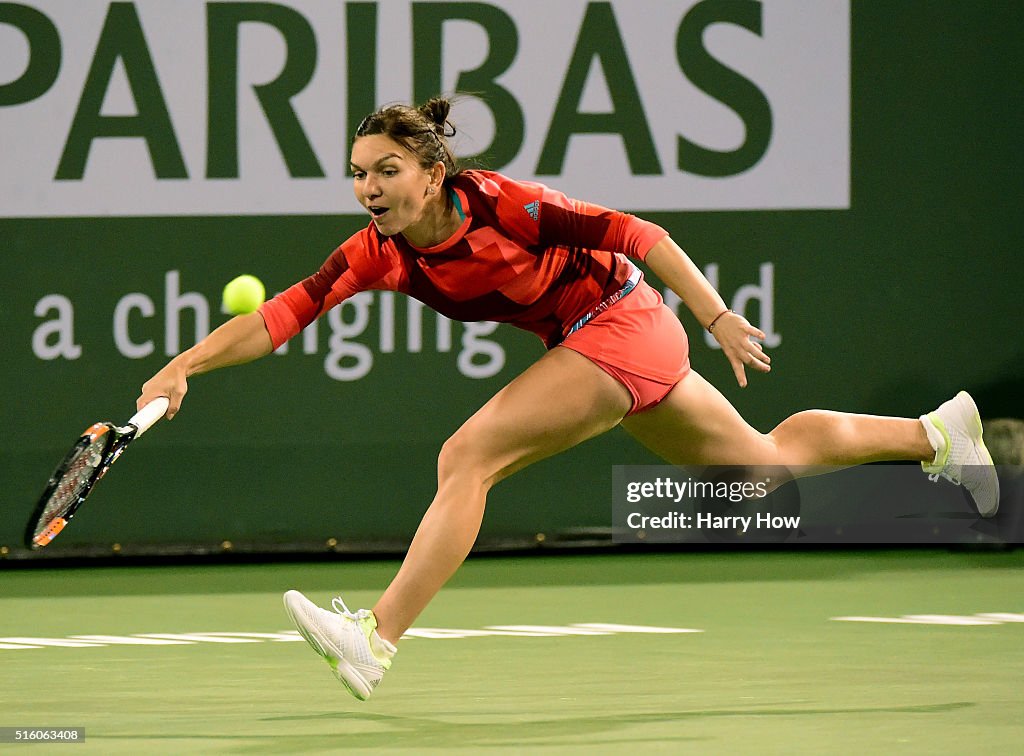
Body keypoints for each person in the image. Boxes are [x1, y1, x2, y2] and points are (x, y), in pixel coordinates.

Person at [138, 96, 999, 701]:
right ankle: (937, 436)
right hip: (598, 342)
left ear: (434, 171)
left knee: (465, 457)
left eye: (387, 171)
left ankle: (376, 638)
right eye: (358, 173)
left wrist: (716, 315)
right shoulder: (381, 250)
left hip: (625, 322)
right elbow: (286, 312)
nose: (369, 189)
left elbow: (638, 233)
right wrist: (186, 365)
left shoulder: (506, 205)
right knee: (761, 465)